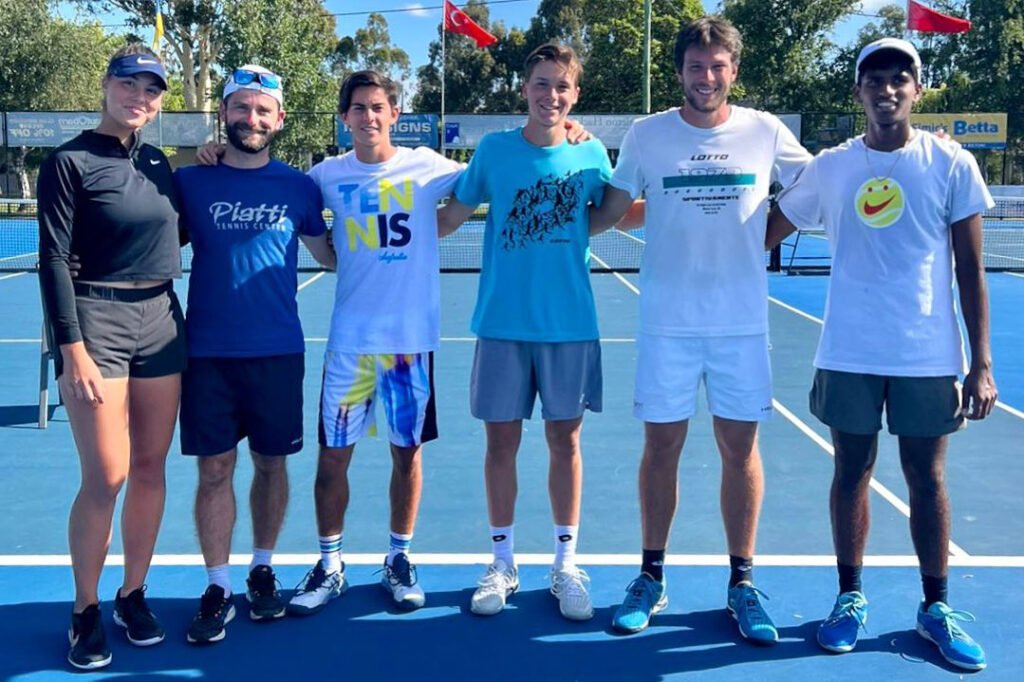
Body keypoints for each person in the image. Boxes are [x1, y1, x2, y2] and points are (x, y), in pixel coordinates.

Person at [767, 38, 995, 671]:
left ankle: (936, 607)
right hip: (848, 351)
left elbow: (971, 269)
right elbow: (763, 230)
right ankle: (849, 598)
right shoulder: (833, 167)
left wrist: (980, 364)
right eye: (875, 80)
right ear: (860, 91)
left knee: (928, 478)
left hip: (927, 355)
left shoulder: (951, 163)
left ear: (917, 90)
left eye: (900, 79)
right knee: (851, 473)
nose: (888, 89)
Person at [589, 16, 812, 644]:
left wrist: (766, 234)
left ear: (732, 70)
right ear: (680, 71)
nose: (706, 77)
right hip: (666, 324)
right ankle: (650, 577)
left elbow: (815, 185)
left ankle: (742, 582)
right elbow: (610, 206)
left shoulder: (765, 131)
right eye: (695, 66)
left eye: (717, 67)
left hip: (740, 326)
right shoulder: (646, 135)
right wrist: (554, 223)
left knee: (739, 452)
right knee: (661, 449)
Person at [437, 43, 612, 621]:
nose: (551, 96)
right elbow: (448, 217)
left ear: (575, 95)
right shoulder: (493, 151)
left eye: (561, 86)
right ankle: (503, 562)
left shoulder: (592, 158)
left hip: (569, 326)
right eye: (541, 84)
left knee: (567, 443)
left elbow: (613, 211)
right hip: (502, 324)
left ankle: (565, 565)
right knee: (501, 445)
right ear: (524, 89)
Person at [286, 70, 463, 615]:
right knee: (332, 459)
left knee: (406, 456)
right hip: (349, 346)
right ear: (345, 118)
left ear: (395, 113)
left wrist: (571, 132)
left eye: (379, 107)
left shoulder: (429, 166)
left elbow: (491, 176)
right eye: (359, 108)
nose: (369, 116)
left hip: (410, 345)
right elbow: (316, 239)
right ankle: (330, 563)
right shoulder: (324, 176)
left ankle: (398, 557)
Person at [174, 65, 334, 644]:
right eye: (241, 108)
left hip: (277, 352)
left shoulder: (299, 188)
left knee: (272, 465)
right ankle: (218, 585)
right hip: (208, 354)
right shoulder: (191, 182)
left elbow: (333, 255)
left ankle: (261, 567)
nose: (252, 119)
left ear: (280, 119)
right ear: (224, 114)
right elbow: (152, 238)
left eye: (263, 110)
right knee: (214, 470)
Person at [37, 44, 184, 670]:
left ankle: (132, 595)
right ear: (106, 85)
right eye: (129, 85)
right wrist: (71, 348)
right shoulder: (67, 161)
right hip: (95, 322)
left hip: (162, 322)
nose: (139, 98)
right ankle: (85, 609)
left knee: (150, 468)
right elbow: (52, 260)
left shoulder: (159, 163)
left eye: (151, 90)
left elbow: (179, 229)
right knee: (107, 476)